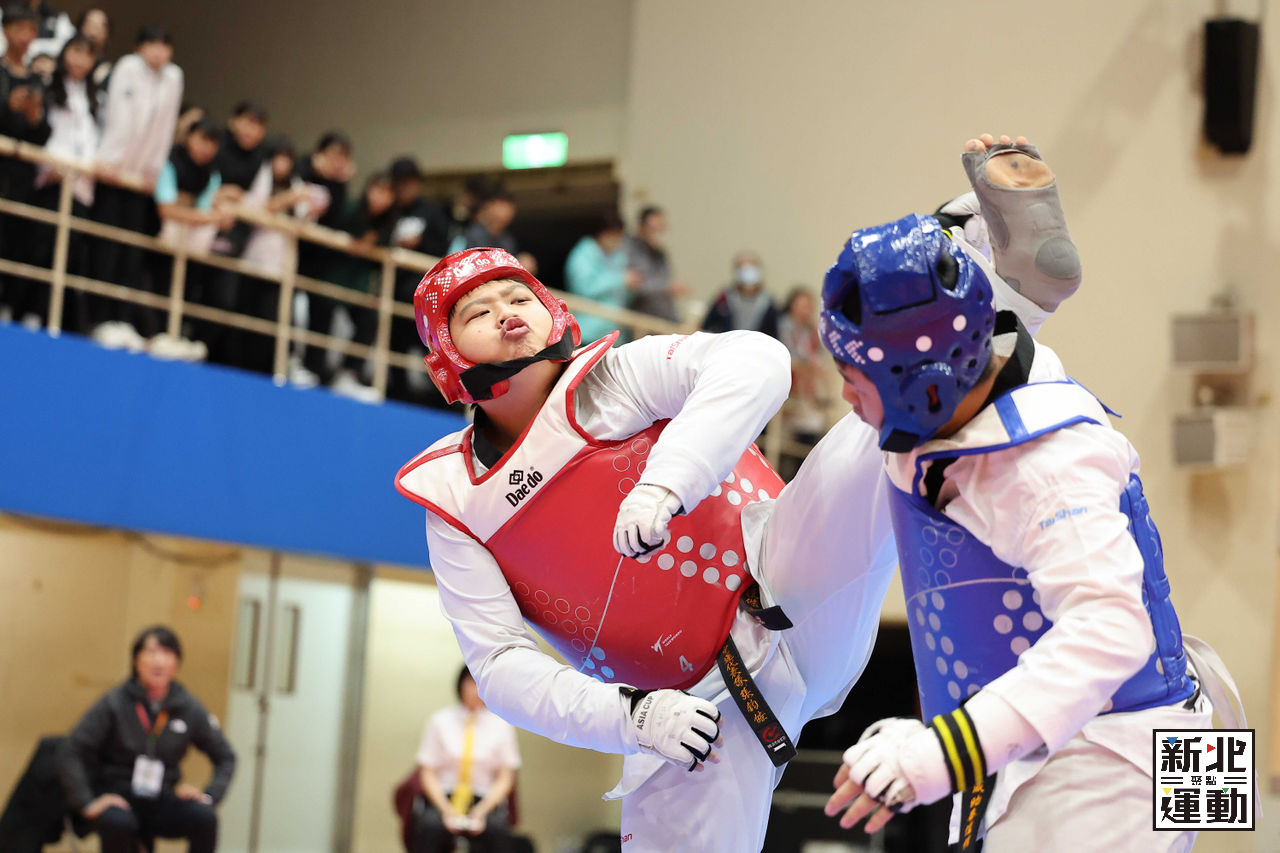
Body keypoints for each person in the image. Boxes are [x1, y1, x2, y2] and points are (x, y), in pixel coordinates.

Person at [820, 136, 1242, 852]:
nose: (843, 397)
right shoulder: (991, 370)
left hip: (1118, 757)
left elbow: (1111, 629)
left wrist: (940, 752)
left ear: (920, 388)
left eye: (854, 380)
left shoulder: (1046, 464)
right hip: (1122, 734)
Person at [59, 625, 235, 853]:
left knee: (204, 817)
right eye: (151, 653)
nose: (158, 662)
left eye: (166, 653)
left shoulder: (188, 706)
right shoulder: (114, 702)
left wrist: (210, 796)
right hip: (118, 797)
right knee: (118, 822)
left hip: (161, 797)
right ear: (136, 660)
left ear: (177, 662)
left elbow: (225, 757)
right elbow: (71, 750)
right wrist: (87, 802)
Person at [89, 24, 182, 343]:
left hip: (142, 178)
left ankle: (121, 319)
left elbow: (165, 125)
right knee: (106, 248)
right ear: (139, 47)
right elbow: (120, 115)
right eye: (151, 45)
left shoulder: (174, 77)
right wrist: (112, 159)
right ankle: (99, 318)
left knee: (131, 254)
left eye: (164, 46)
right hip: (114, 170)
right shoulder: (127, 67)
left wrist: (153, 170)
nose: (158, 52)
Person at [28, 33, 98, 330]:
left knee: (68, 258)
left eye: (87, 54)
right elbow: (42, 132)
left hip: (79, 188)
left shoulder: (94, 98)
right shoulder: (47, 88)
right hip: (49, 181)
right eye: (75, 51)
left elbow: (91, 142)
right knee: (38, 250)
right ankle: (24, 314)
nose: (80, 60)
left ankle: (49, 320)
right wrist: (48, 168)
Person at [411, 666, 520, 853]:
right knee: (429, 826)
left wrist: (482, 810)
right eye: (471, 682)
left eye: (480, 683)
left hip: (483, 800)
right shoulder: (439, 721)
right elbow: (427, 772)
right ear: (460, 685)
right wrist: (446, 809)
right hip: (444, 798)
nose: (475, 689)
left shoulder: (502, 726)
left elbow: (506, 776)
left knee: (498, 831)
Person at [563, 211, 634, 344]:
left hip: (614, 334)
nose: (617, 240)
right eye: (614, 235)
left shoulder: (618, 256)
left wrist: (631, 287)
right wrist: (621, 279)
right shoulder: (583, 253)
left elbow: (620, 297)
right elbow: (583, 287)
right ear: (602, 233)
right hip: (588, 333)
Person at [624, 205, 685, 324]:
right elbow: (635, 284)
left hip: (664, 316)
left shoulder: (659, 252)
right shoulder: (630, 249)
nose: (658, 233)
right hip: (642, 318)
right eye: (653, 228)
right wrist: (666, 287)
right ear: (641, 227)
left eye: (661, 227)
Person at [700, 250, 779, 337]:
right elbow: (708, 326)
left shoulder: (768, 301)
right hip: (729, 342)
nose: (748, 272)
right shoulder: (724, 298)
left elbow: (774, 332)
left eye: (752, 267)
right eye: (743, 268)